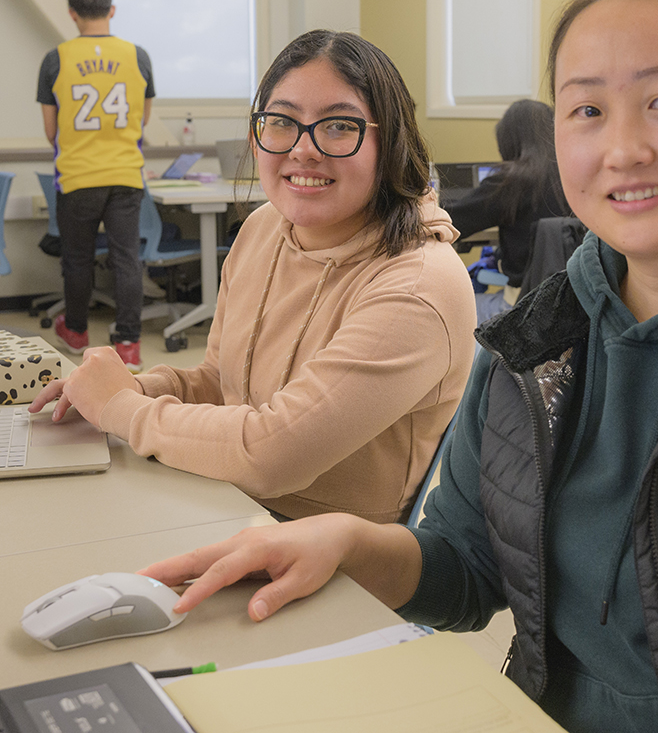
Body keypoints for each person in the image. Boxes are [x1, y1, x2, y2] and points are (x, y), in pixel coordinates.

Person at [140, 0, 658, 733]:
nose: (622, 149)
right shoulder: (537, 344)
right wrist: (348, 543)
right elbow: (469, 568)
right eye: (586, 110)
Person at [31, 30, 476, 523]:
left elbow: (272, 456)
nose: (304, 149)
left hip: (329, 558)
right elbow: (219, 383)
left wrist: (118, 407)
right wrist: (132, 388)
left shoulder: (419, 285)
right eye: (281, 121)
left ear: (389, 140)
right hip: (227, 504)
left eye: (339, 126)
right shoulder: (265, 227)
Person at [37, 0, 154, 372]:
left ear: (72, 13)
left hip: (78, 176)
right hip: (125, 175)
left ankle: (75, 332)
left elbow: (52, 132)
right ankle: (128, 346)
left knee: (77, 260)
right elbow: (142, 119)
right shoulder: (138, 56)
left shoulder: (56, 59)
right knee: (126, 259)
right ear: (112, 11)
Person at [443, 99, 569, 322]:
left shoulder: (512, 181)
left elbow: (450, 220)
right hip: (571, 309)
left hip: (521, 311)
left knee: (444, 310)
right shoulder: (574, 176)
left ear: (509, 141)